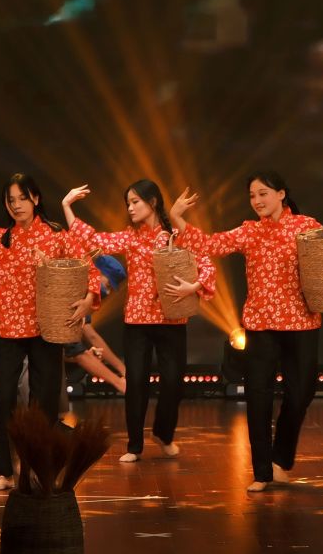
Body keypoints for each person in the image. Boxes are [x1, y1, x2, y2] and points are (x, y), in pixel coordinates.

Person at [176, 172, 323, 492]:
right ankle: (262, 472)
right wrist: (177, 218)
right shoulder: (249, 231)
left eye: (263, 193)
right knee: (258, 397)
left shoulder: (306, 226)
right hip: (260, 325)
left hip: (301, 321)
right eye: (252, 196)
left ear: (281, 194)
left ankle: (281, 457)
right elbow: (210, 244)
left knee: (301, 393)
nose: (257, 201)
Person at [0, 174, 95, 492]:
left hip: (45, 328)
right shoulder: (0, 238)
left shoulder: (55, 235)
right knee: (5, 400)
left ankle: (40, 469)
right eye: (10, 200)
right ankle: (4, 472)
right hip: (9, 329)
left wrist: (88, 299)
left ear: (35, 199)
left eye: (22, 198)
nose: (16, 205)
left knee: (44, 402)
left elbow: (87, 265)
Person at [63, 180, 214, 462]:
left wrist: (193, 287)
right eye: (128, 204)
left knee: (174, 383)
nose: (130, 208)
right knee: (136, 384)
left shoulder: (175, 235)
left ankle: (164, 433)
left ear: (152, 202)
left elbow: (205, 262)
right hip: (137, 322)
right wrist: (67, 206)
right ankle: (134, 446)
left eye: (135, 202)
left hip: (172, 320)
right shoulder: (130, 237)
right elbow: (92, 240)